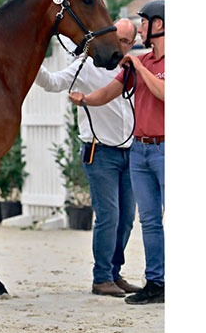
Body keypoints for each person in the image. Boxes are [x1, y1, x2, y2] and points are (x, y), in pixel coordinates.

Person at [35, 18, 141, 297]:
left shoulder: (133, 66)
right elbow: (54, 82)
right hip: (100, 150)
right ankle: (101, 277)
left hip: (130, 151)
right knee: (109, 216)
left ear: (131, 45)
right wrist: (33, 62)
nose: (117, 45)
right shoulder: (87, 64)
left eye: (124, 42)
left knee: (127, 218)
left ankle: (114, 273)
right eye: (115, 38)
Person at [69, 0, 165, 305]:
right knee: (147, 221)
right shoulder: (142, 62)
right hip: (139, 150)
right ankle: (155, 281)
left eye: (144, 23)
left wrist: (136, 64)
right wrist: (85, 99)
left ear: (158, 25)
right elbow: (109, 92)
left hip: (166, 149)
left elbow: (165, 94)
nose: (139, 30)